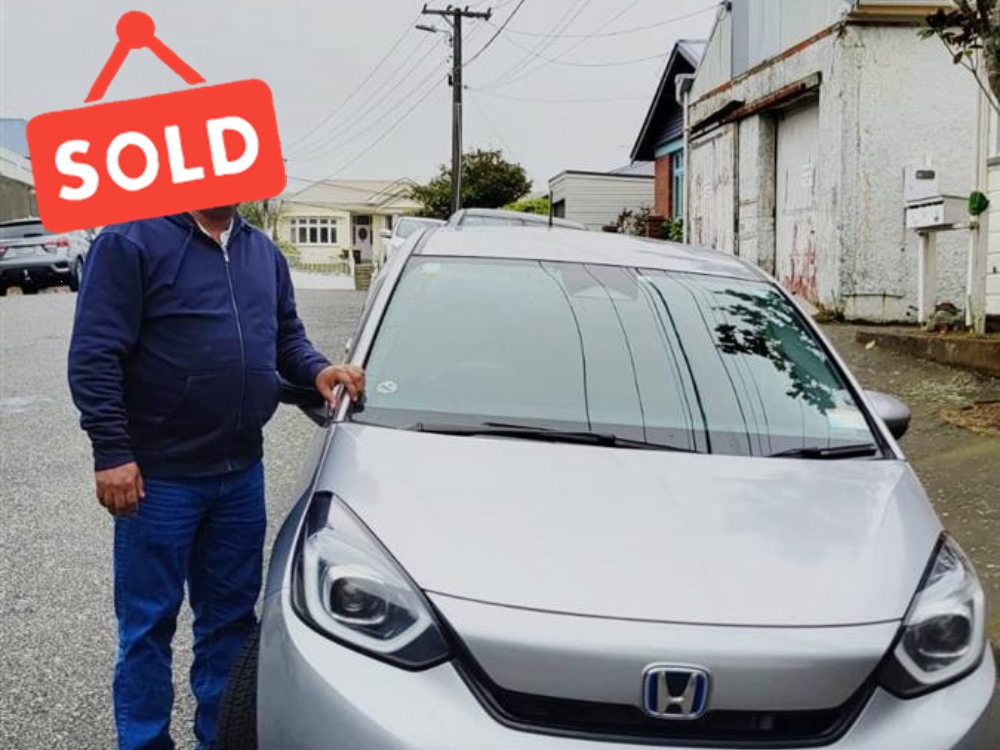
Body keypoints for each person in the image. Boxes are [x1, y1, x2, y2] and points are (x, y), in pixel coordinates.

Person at [67, 206, 364, 750]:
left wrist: (319, 369)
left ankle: (218, 740)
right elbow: (94, 354)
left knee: (230, 624)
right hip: (159, 479)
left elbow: (287, 338)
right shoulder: (130, 241)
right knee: (147, 628)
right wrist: (112, 453)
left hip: (240, 475)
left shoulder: (261, 252)